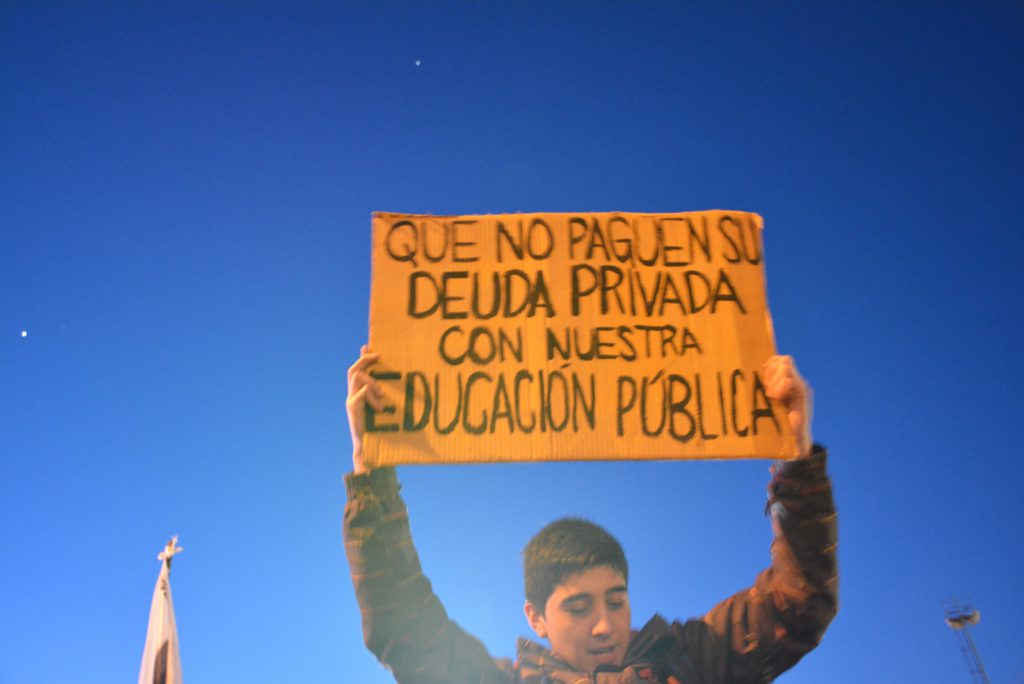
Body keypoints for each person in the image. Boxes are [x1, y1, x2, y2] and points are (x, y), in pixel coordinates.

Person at [344, 347, 837, 683]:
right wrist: (370, 472)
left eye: (616, 602)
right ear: (535, 618)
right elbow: (403, 625)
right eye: (579, 609)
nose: (605, 626)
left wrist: (796, 456)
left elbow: (797, 603)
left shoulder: (691, 659)